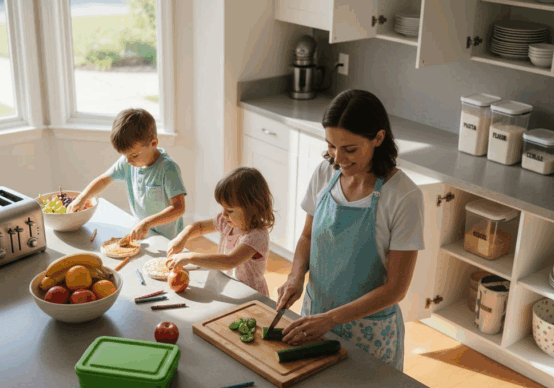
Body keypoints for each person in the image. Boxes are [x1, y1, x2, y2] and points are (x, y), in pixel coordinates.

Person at [275, 89, 424, 371]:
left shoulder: (404, 197)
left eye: (350, 149)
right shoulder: (324, 172)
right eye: (331, 146)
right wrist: (295, 276)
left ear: (378, 138)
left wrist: (331, 319)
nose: (338, 159)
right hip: (315, 316)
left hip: (369, 332)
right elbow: (307, 236)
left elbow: (395, 289)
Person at [68, 108, 186, 241]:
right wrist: (82, 197)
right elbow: (104, 180)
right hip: (142, 231)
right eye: (125, 156)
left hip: (168, 238)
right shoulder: (128, 161)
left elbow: (179, 208)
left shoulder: (168, 168)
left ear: (153, 143)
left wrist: (148, 222)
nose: (128, 161)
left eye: (134, 155)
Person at [166, 167, 273, 297]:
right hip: (229, 286)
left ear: (252, 209)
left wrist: (190, 257)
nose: (223, 214)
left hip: (251, 295)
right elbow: (199, 227)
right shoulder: (227, 221)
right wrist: (181, 238)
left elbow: (229, 261)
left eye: (230, 210)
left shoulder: (257, 236)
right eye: (223, 208)